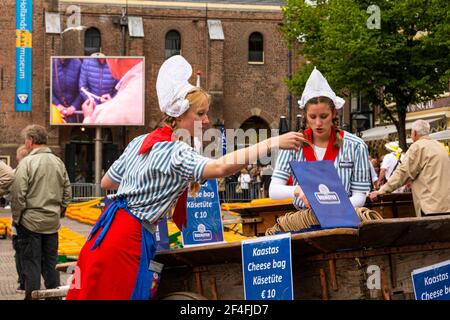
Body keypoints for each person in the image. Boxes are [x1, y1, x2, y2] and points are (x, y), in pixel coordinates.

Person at [66, 55, 304, 300]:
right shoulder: (176, 150)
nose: (206, 120)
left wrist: (151, 183)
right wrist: (271, 142)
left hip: (107, 232)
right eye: (200, 114)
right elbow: (220, 167)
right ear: (179, 116)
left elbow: (108, 182)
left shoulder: (141, 141)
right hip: (129, 239)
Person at [269, 67, 370, 216]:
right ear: (305, 115)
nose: (318, 123)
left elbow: (360, 196)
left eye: (323, 116)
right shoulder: (292, 144)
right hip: (304, 218)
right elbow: (274, 190)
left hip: (343, 217)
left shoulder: (356, 146)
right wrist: (297, 190)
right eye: (312, 117)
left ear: (334, 113)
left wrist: (335, 209)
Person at [10, 125, 72, 300]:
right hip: (52, 222)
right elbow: (67, 191)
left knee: (31, 264)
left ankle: (32, 297)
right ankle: (54, 296)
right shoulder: (58, 162)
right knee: (51, 263)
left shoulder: (27, 163)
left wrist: (17, 218)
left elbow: (18, 194)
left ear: (30, 141)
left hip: (30, 222)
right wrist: (59, 211)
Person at [369, 120, 450, 217]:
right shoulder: (440, 146)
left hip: (429, 206)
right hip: (446, 205)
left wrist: (382, 190)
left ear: (415, 133)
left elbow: (403, 172)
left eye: (411, 132)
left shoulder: (417, 147)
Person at [81, 58, 143, 125]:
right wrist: (112, 102)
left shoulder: (107, 114)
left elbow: (92, 131)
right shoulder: (140, 80)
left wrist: (88, 117)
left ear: (115, 59)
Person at [11, 145, 30, 292]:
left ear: (18, 157)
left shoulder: (18, 172)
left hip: (21, 221)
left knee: (20, 253)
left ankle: (23, 282)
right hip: (35, 221)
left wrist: (17, 220)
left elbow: (17, 196)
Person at [52, 58, 83, 123]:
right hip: (57, 112)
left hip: (75, 113)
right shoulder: (52, 63)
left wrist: (74, 106)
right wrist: (57, 104)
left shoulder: (77, 63)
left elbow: (82, 89)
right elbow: (48, 89)